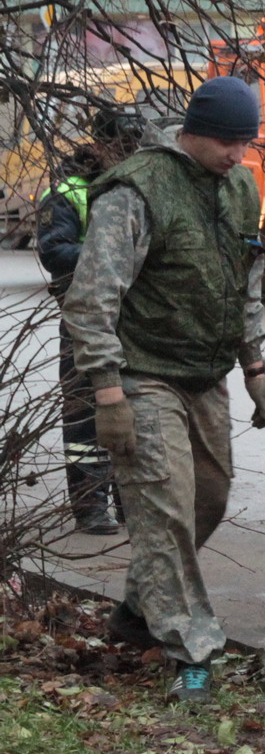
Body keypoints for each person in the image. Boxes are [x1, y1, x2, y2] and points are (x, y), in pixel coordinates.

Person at [64, 77, 265, 701]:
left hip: (204, 376)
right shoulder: (137, 190)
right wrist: (108, 393)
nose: (237, 156)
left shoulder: (238, 188)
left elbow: (245, 280)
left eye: (246, 144)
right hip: (143, 374)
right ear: (194, 130)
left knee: (206, 500)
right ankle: (192, 649)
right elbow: (91, 298)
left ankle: (137, 612)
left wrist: (255, 366)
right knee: (164, 510)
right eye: (227, 143)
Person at [37, 110, 145, 534]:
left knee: (135, 411)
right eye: (119, 148)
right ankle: (90, 506)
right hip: (86, 320)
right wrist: (108, 258)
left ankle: (132, 503)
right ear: (99, 145)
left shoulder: (138, 185)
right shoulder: (70, 190)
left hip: (134, 319)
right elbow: (54, 251)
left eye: (132, 149)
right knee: (85, 416)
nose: (126, 156)